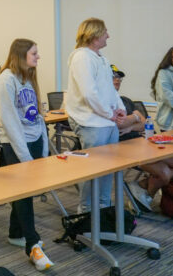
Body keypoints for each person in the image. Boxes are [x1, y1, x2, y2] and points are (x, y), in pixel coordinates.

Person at [0, 39, 53, 271]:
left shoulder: (28, 78)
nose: (38, 57)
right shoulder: (6, 80)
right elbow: (9, 122)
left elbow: (38, 116)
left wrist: (44, 146)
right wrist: (26, 157)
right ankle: (32, 243)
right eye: (34, 53)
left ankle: (15, 232)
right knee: (24, 194)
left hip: (34, 140)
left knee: (23, 192)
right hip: (17, 145)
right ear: (21, 55)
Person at [113, 63, 173, 212]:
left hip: (145, 143)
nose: (117, 80)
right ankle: (147, 195)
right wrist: (136, 117)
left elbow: (146, 124)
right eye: (113, 77)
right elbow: (119, 125)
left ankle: (141, 186)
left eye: (119, 77)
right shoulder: (104, 103)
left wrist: (132, 124)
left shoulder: (125, 100)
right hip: (125, 149)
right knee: (163, 173)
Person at [63, 18, 125, 212]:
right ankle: (86, 211)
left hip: (107, 122)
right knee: (92, 171)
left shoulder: (101, 58)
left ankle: (104, 208)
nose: (109, 35)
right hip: (91, 122)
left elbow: (110, 88)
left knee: (107, 170)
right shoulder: (82, 57)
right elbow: (89, 93)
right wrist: (110, 113)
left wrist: (119, 107)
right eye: (105, 32)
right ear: (95, 35)